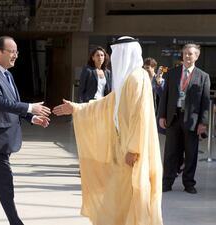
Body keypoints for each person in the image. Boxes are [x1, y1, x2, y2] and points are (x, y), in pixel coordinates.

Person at [53, 36, 163, 225]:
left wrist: (133, 149)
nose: (111, 58)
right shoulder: (127, 80)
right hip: (122, 150)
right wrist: (77, 108)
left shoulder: (138, 78)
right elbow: (107, 104)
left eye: (115, 54)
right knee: (119, 197)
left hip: (132, 153)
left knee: (133, 195)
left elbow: (140, 117)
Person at [0, 36, 51, 225]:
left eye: (17, 52)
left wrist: (31, 117)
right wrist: (30, 107)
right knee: (5, 183)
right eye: (12, 51)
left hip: (4, 138)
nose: (15, 55)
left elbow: (12, 104)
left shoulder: (7, 74)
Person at [159, 43, 210, 194]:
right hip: (173, 117)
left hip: (192, 120)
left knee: (191, 152)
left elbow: (205, 101)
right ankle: (167, 182)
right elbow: (165, 96)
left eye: (191, 54)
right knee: (170, 152)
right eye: (185, 53)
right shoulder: (172, 73)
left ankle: (189, 183)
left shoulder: (203, 76)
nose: (187, 56)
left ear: (197, 56)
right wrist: (162, 115)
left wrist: (203, 122)